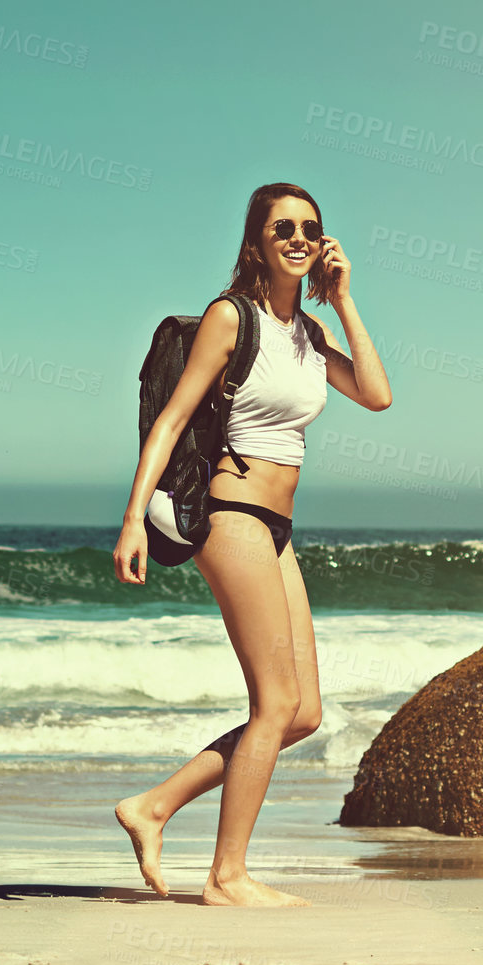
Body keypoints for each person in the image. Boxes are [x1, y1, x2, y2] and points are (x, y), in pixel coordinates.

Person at [111, 182, 392, 907]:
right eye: (282, 229)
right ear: (257, 242)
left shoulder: (310, 335)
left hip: (277, 529)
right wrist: (135, 517)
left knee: (303, 713)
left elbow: (377, 394)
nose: (297, 238)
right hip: (230, 511)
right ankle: (226, 877)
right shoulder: (231, 318)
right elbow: (172, 421)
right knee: (274, 704)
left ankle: (153, 807)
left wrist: (344, 299)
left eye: (310, 228)